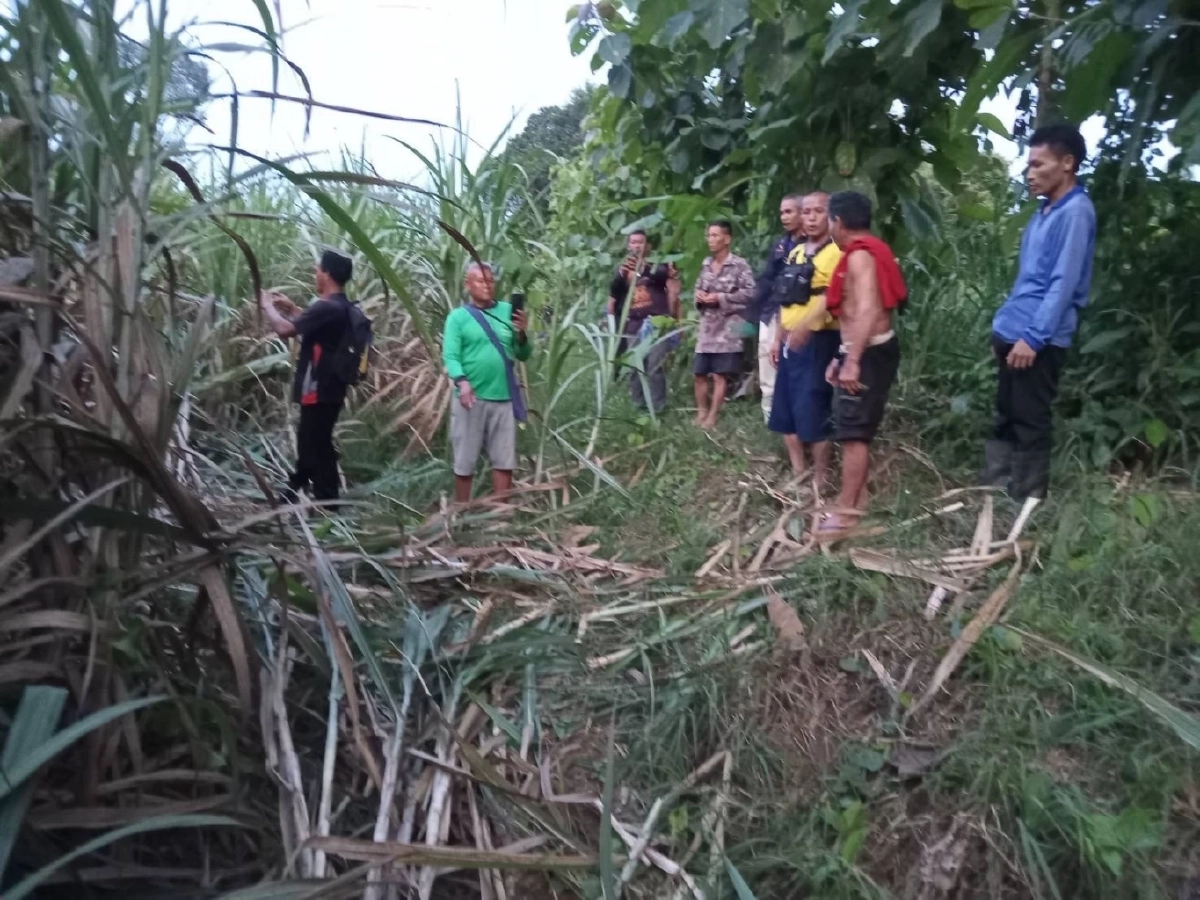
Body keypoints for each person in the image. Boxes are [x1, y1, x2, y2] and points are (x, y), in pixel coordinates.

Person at [985, 123, 1095, 500]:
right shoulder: (1044, 212)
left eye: (1038, 165)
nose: (1030, 174)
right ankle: (996, 493)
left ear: (1067, 163)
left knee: (1030, 420)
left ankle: (1027, 501)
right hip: (1014, 333)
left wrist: (1033, 337)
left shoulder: (1076, 211)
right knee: (1005, 415)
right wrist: (1003, 329)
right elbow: (1028, 280)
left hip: (1038, 339)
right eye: (1028, 166)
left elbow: (1063, 285)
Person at [819, 191, 907, 537]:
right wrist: (842, 355)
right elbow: (857, 313)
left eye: (828, 220)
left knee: (854, 435)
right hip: (861, 349)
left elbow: (869, 309)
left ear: (837, 222)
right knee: (850, 427)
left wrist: (852, 361)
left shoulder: (859, 258)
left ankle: (847, 514)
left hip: (868, 352)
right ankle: (858, 500)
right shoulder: (868, 251)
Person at [260, 248, 358, 503]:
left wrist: (267, 306)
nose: (315, 274)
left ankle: (327, 501)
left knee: (316, 443)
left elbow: (284, 330)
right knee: (312, 440)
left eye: (317, 269)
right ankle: (295, 491)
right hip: (333, 386)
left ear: (326, 274)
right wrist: (292, 308)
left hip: (318, 386)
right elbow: (314, 327)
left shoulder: (325, 307)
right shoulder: (342, 307)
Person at [766, 192, 842, 491]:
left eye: (818, 212)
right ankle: (799, 471)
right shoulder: (796, 252)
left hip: (820, 340)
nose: (810, 218)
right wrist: (778, 337)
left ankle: (821, 479)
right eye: (806, 211)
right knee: (784, 409)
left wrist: (808, 328)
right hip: (789, 342)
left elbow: (831, 298)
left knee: (813, 408)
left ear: (831, 216)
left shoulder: (837, 253)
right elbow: (787, 299)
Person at [443, 262, 532, 503]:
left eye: (491, 281)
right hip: (470, 398)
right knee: (465, 461)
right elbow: (451, 356)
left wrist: (522, 334)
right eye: (481, 281)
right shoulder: (458, 318)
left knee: (504, 461)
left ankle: (500, 519)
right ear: (467, 284)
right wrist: (462, 382)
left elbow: (522, 354)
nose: (487, 286)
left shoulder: (507, 311)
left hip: (503, 397)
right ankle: (461, 514)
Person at [607, 232, 681, 413]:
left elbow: (664, 276)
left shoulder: (659, 262)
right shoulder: (623, 268)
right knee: (635, 366)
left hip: (656, 322)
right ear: (628, 246)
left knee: (656, 366)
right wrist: (622, 274)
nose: (637, 245)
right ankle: (637, 405)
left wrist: (643, 268)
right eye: (633, 242)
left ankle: (658, 408)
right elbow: (614, 293)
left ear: (648, 246)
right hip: (633, 324)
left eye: (641, 242)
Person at [692, 220, 756, 429]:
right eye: (708, 235)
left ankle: (713, 416)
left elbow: (750, 293)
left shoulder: (739, 265)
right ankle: (701, 410)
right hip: (707, 327)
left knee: (720, 375)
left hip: (729, 328)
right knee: (699, 373)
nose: (710, 240)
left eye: (715, 235)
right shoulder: (705, 264)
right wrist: (700, 297)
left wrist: (721, 298)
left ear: (726, 239)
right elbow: (698, 289)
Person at [750, 194, 806, 422]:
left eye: (789, 211)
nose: (784, 217)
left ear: (803, 213)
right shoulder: (781, 244)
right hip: (772, 311)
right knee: (767, 361)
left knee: (794, 364)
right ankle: (770, 417)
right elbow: (768, 278)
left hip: (800, 313)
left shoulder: (813, 246)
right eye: (782, 212)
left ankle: (796, 418)